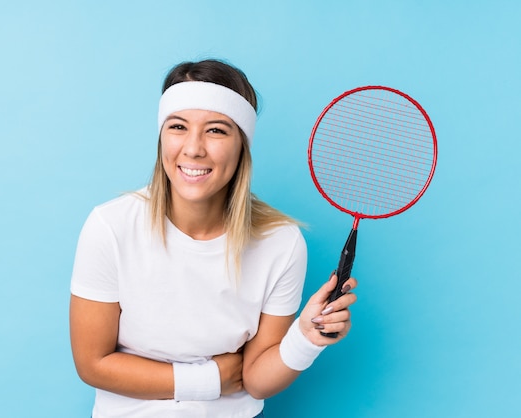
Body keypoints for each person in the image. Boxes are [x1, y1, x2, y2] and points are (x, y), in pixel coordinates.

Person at [69, 59, 357, 418]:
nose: (193, 148)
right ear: (162, 136)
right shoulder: (110, 226)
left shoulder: (281, 243)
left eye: (216, 131)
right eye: (178, 126)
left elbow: (255, 380)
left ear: (242, 146)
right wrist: (209, 379)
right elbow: (93, 364)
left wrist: (305, 337)